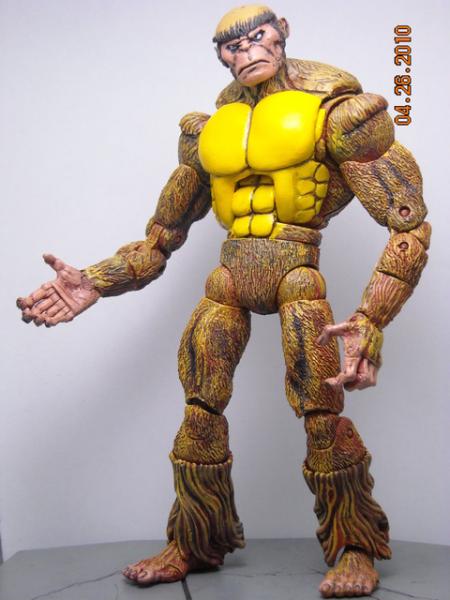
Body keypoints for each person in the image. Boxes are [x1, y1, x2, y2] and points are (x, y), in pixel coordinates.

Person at [17, 5, 430, 597]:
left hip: (296, 274)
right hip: (229, 278)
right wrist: (95, 280)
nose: (247, 52)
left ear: (282, 35)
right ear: (220, 57)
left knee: (321, 411)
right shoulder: (210, 132)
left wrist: (371, 319)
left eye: (257, 37)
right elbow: (160, 239)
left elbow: (409, 226)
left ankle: (354, 546)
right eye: (232, 47)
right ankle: (193, 541)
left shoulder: (342, 115)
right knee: (199, 408)